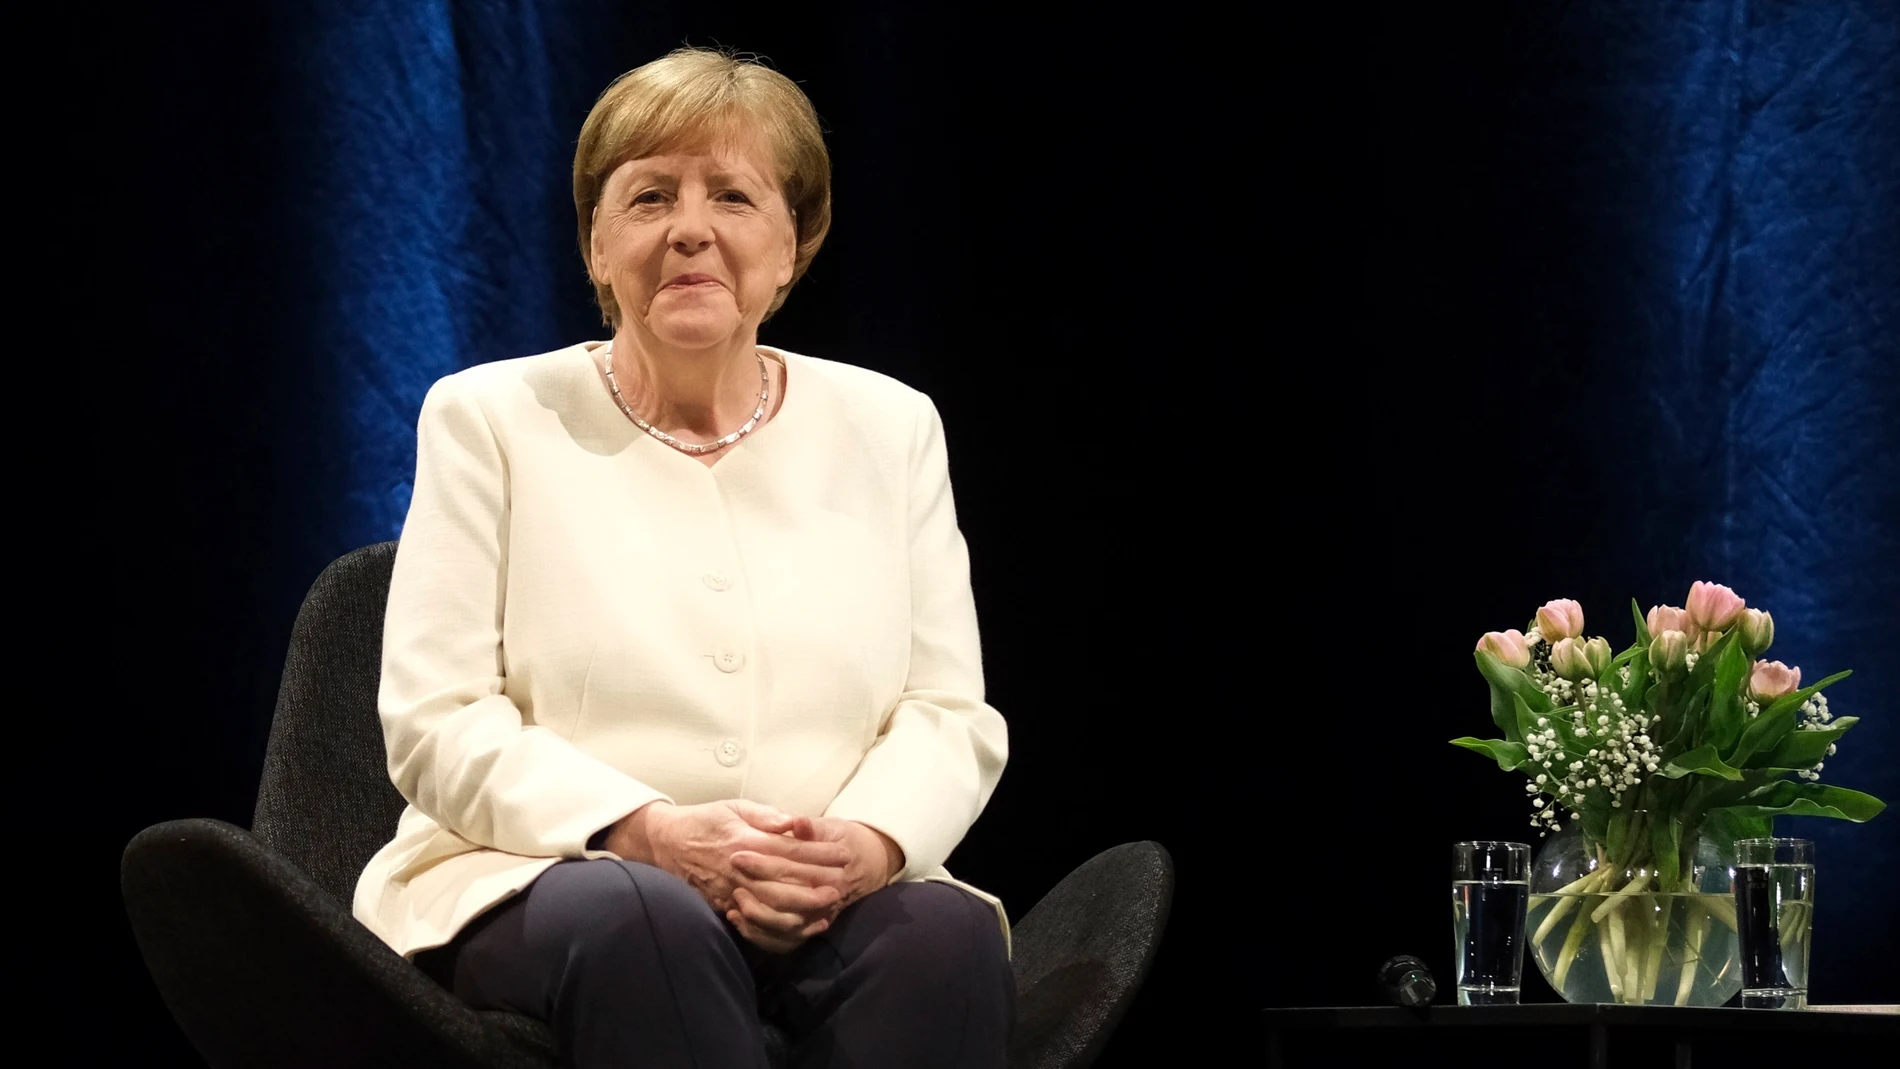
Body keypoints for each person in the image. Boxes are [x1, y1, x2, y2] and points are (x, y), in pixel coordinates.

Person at [350, 46, 1012, 1068]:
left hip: (823, 888)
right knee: (647, 923)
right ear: (598, 247)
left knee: (948, 935)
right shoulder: (490, 418)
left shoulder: (892, 427)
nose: (691, 226)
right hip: (544, 879)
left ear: (792, 243)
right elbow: (436, 721)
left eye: (734, 195)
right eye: (650, 195)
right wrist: (646, 832)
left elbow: (946, 712)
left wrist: (867, 846)